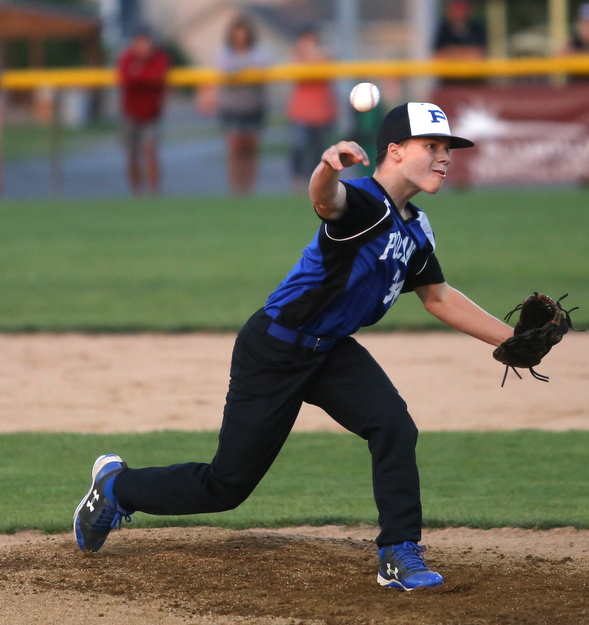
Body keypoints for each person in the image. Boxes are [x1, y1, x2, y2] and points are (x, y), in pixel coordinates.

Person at [74, 101, 513, 591]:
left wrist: (512, 340)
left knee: (393, 426)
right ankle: (115, 489)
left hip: (330, 350)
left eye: (448, 148)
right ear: (394, 150)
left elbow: (439, 297)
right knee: (226, 487)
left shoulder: (416, 227)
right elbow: (327, 201)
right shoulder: (364, 205)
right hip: (275, 348)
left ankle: (398, 553)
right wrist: (326, 168)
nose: (444, 157)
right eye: (431, 146)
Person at [216, 16, 270, 194]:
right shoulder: (225, 53)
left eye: (243, 34)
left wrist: (242, 70)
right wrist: (246, 69)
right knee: (234, 148)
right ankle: (236, 189)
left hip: (253, 106)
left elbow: (263, 66)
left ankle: (249, 189)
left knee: (251, 149)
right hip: (232, 107)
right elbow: (226, 68)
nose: (240, 38)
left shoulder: (259, 52)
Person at [117, 28, 170, 195]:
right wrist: (144, 77)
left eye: (146, 43)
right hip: (130, 114)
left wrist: (139, 74)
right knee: (132, 155)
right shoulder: (127, 58)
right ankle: (136, 193)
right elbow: (126, 80)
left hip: (151, 115)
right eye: (140, 43)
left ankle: (153, 192)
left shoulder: (160, 58)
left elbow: (156, 77)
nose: (144, 47)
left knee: (150, 150)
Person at [286, 28, 337, 192]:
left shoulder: (325, 54)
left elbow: (327, 61)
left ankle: (317, 183)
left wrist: (313, 55)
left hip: (321, 111)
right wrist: (308, 55)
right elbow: (295, 69)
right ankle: (298, 182)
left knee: (319, 151)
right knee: (299, 147)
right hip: (301, 112)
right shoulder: (296, 55)